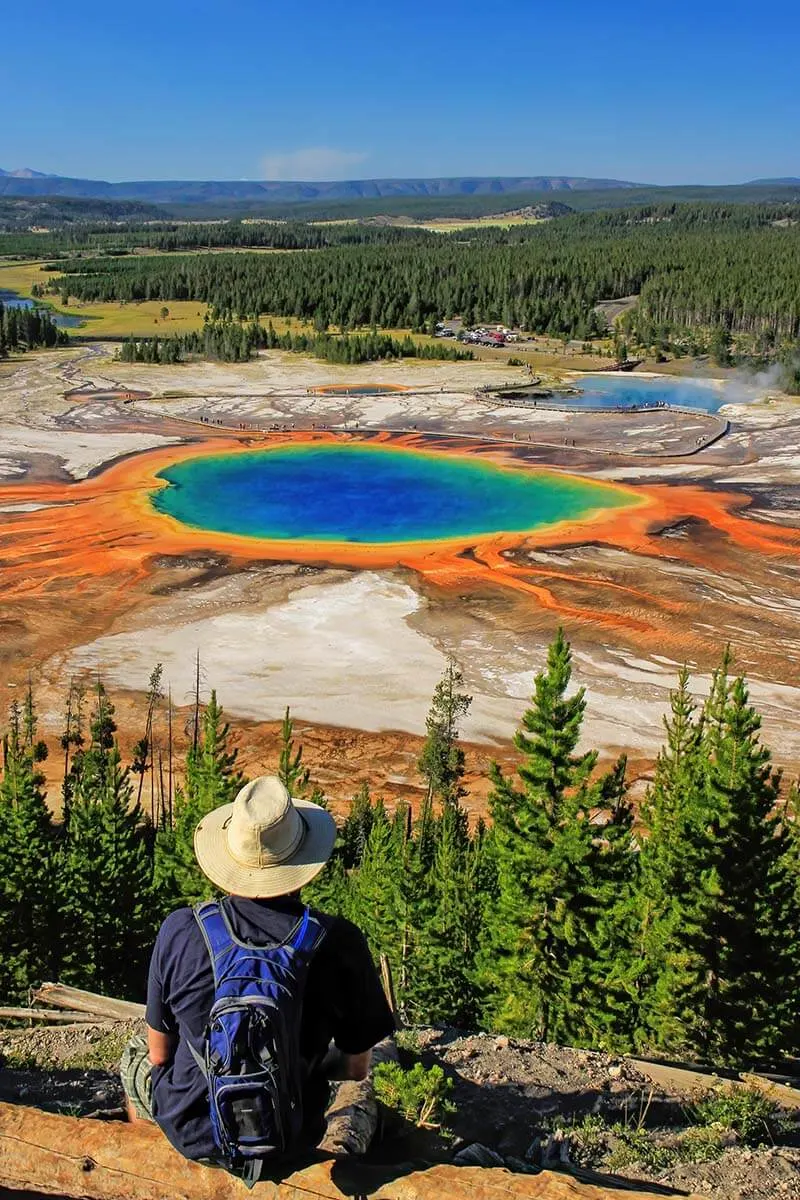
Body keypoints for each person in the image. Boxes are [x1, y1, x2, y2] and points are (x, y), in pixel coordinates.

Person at [121, 776, 395, 1170]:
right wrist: (295, 1059)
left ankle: (149, 1173)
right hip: (290, 1138)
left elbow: (160, 1054)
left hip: (193, 1132)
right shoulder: (340, 942)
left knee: (135, 1059)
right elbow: (355, 1067)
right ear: (302, 860)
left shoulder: (181, 930)